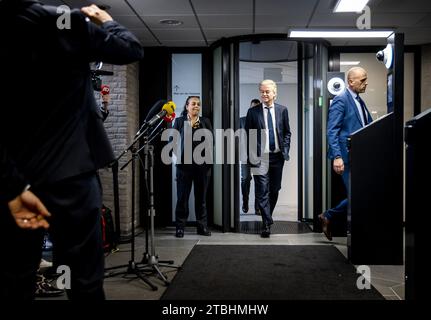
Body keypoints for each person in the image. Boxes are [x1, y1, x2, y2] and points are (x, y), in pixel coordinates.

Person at [0, 0, 144, 300]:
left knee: (14, 278)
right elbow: (130, 49)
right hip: (72, 177)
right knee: (85, 280)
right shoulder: (64, 22)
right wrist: (103, 19)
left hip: (15, 180)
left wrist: (14, 187)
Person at [319, 67, 373, 241]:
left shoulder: (359, 100)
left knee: (360, 194)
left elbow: (367, 126)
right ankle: (329, 215)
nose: (366, 83)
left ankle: (328, 215)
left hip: (360, 156)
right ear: (351, 82)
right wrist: (337, 156)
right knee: (357, 195)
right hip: (346, 157)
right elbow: (331, 131)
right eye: (362, 80)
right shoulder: (341, 100)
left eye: (365, 79)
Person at [245, 80, 291, 238]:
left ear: (274, 93)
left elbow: (287, 133)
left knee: (274, 189)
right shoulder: (253, 112)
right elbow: (249, 135)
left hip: (278, 157)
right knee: (262, 190)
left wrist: (286, 149)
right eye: (262, 91)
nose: (264, 94)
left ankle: (267, 216)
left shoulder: (282, 110)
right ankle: (266, 223)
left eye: (267, 92)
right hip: (260, 157)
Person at [173, 96, 213, 238]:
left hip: (202, 167)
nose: (196, 106)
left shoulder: (205, 121)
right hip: (184, 167)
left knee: (201, 199)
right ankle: (180, 228)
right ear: (187, 106)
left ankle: (202, 227)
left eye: (198, 104)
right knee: (182, 199)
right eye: (193, 104)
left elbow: (211, 141)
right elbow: (173, 142)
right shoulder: (179, 121)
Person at [240, 98, 261, 215]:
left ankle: (257, 207)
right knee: (245, 179)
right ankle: (245, 202)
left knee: (259, 181)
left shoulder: (263, 121)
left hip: (259, 156)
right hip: (244, 156)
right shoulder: (241, 121)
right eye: (253, 108)